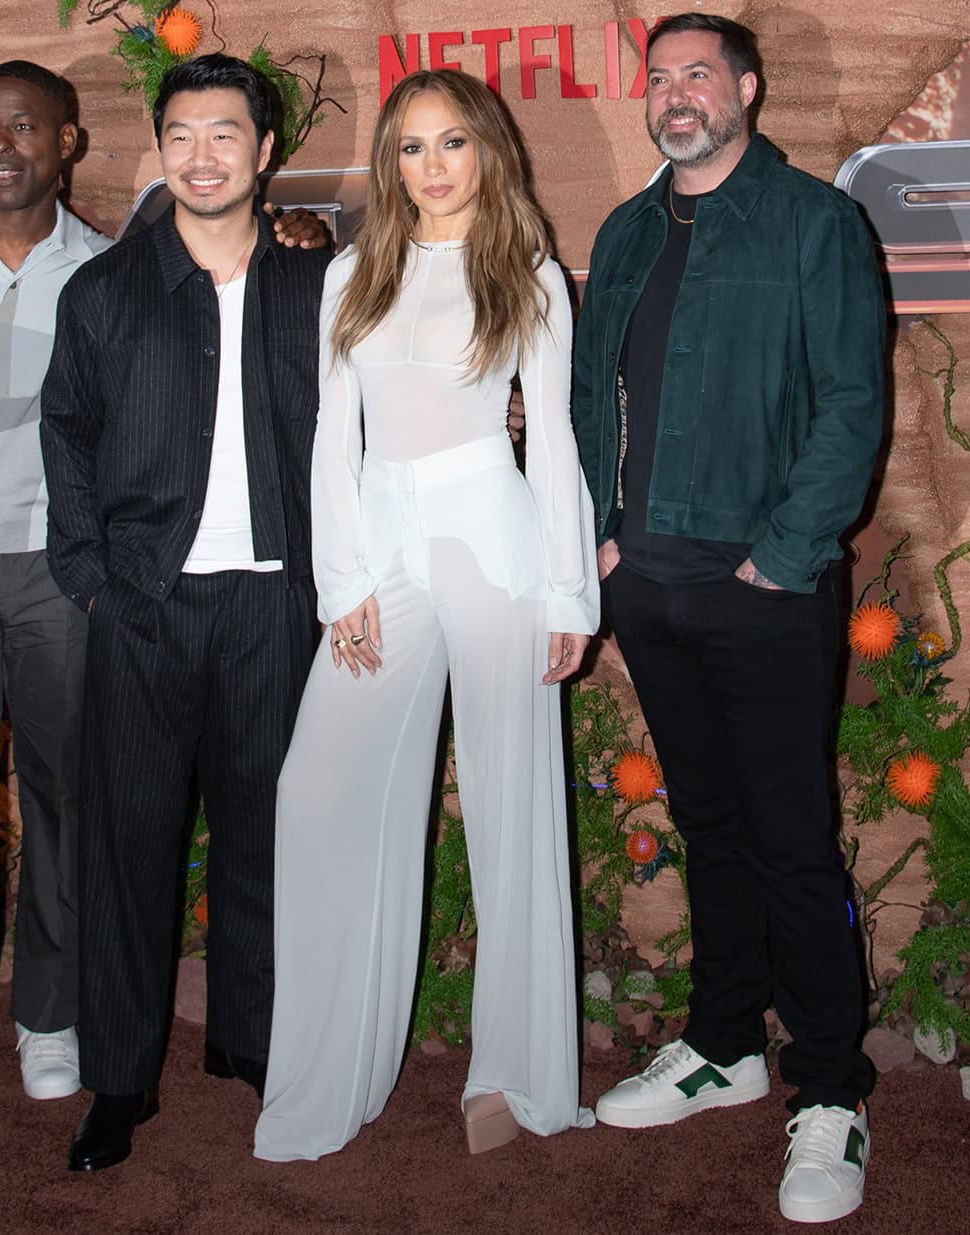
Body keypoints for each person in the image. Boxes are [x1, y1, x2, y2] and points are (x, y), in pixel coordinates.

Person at [0, 59, 323, 1132]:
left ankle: (60, 1023)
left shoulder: (115, 265)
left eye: (28, 125)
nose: (3, 143)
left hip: (100, 587)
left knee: (91, 818)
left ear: (70, 143)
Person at [253, 67, 599, 1163]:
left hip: (497, 553)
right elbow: (329, 440)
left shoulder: (530, 276)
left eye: (451, 142)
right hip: (384, 558)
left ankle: (517, 1073)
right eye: (409, 147)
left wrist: (566, 589)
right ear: (389, 163)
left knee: (514, 814)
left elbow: (554, 446)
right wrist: (339, 580)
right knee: (315, 787)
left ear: (488, 149)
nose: (431, 166)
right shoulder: (354, 271)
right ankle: (327, 1070)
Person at [571, 14, 883, 1225]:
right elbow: (596, 393)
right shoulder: (627, 226)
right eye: (660, 78)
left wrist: (783, 557)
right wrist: (597, 529)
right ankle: (722, 1043)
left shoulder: (815, 222)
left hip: (765, 589)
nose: (677, 93)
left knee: (793, 838)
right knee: (709, 823)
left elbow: (852, 401)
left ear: (747, 88)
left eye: (700, 73)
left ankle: (831, 1089)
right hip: (645, 584)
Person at [39, 54, 331, 1173]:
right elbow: (63, 435)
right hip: (144, 612)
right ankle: (119, 1079)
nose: (201, 156)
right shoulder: (105, 294)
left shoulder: (318, 287)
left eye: (224, 135)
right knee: (127, 852)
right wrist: (93, 581)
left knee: (267, 844)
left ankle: (249, 1045)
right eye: (180, 136)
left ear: (264, 152)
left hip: (275, 610)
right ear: (157, 149)